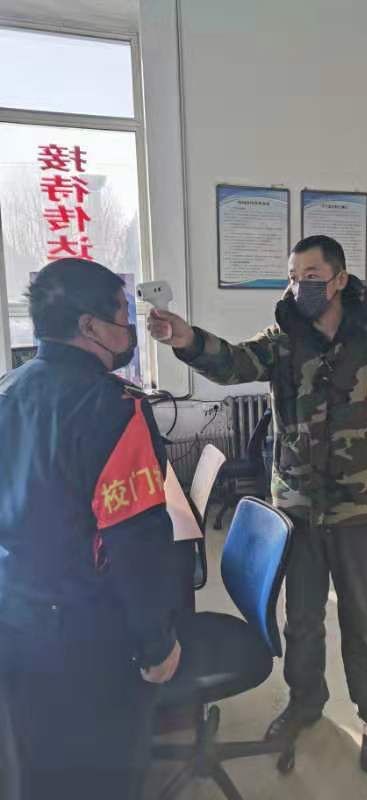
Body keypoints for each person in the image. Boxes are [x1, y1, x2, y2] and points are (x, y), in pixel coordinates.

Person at [148, 235, 367, 775]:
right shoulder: (282, 340)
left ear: (339, 279)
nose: (300, 286)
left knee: (365, 620)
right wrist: (187, 339)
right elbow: (234, 363)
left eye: (312, 276)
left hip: (357, 511)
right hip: (296, 506)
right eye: (294, 277)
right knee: (302, 620)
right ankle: (304, 703)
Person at [0, 259, 184, 800]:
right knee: (107, 767)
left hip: (15, 616)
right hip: (90, 631)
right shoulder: (113, 408)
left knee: (38, 761)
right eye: (123, 317)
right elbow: (135, 541)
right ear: (89, 326)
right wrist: (157, 643)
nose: (129, 330)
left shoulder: (8, 390)